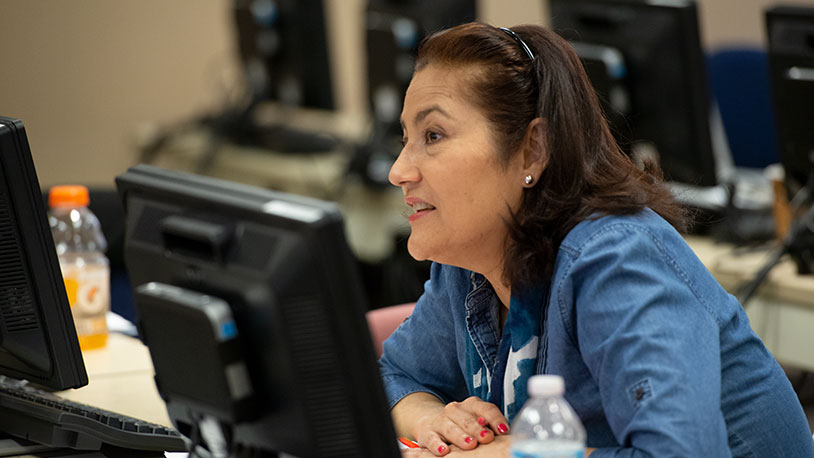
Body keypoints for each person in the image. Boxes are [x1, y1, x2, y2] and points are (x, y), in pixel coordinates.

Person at [378, 22, 814, 457]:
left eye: (432, 136)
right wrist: (429, 418)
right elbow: (393, 373)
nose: (399, 170)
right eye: (406, 139)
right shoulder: (471, 260)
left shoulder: (618, 260)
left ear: (533, 150)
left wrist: (513, 455)